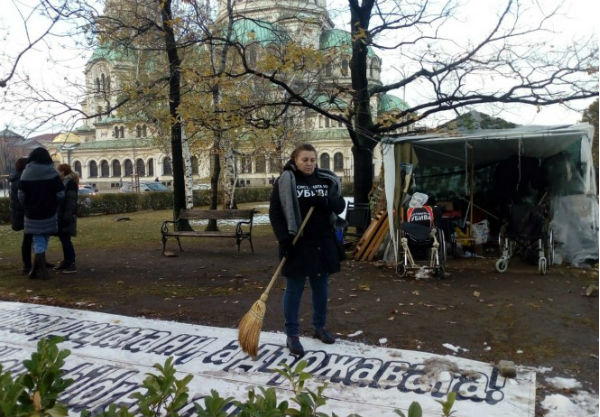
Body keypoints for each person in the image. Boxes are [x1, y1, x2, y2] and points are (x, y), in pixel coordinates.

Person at [269, 143, 346, 356]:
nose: (309, 163)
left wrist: (325, 200)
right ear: (295, 160)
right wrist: (283, 239)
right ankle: (292, 334)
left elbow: (339, 206)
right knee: (294, 287)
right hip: (297, 242)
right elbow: (275, 212)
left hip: (323, 241)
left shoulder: (326, 179)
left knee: (321, 286)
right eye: (305, 159)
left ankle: (319, 327)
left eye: (312, 159)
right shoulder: (286, 181)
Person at [18, 147, 65, 279]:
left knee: (38, 239)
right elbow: (61, 194)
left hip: (31, 213)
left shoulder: (26, 173)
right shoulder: (52, 173)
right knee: (43, 238)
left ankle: (34, 270)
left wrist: (27, 206)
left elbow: (21, 195)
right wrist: (55, 204)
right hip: (49, 211)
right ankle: (42, 270)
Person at [9, 157, 33, 274]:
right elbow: (22, 198)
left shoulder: (16, 177)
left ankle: (36, 261)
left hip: (21, 212)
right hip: (24, 213)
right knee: (28, 239)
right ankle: (27, 265)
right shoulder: (21, 179)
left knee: (30, 238)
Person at [54, 163, 79, 274]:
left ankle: (71, 263)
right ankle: (67, 261)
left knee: (66, 239)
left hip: (66, 216)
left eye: (58, 170)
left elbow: (70, 201)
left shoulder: (70, 183)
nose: (57, 172)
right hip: (63, 215)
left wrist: (67, 216)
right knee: (64, 239)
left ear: (63, 171)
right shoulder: (65, 182)